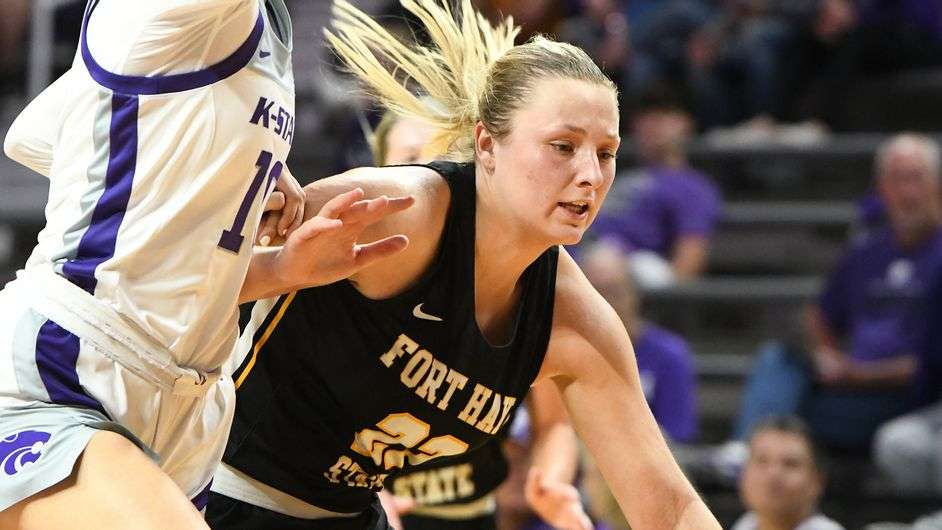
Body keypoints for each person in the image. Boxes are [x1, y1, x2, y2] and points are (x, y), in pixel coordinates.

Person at [207, 0, 721, 529]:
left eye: (607, 152)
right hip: (209, 486)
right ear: (486, 144)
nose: (590, 173)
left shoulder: (572, 319)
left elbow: (671, 508)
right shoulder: (395, 213)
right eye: (563, 146)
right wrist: (277, 269)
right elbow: (177, 278)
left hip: (351, 514)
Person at [0, 2, 411, 529]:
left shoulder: (254, 25)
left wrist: (277, 258)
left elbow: (33, 134)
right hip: (73, 362)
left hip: (191, 397)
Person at [363, 111, 585, 530]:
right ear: (380, 172)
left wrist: (549, 480)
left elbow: (554, 421)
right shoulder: (353, 281)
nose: (431, 172)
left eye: (444, 156)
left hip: (476, 515)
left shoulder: (518, 283)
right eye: (412, 157)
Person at [727, 134, 942, 456]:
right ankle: (743, 454)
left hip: (911, 396)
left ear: (937, 186)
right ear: (882, 189)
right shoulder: (866, 253)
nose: (907, 192)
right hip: (850, 389)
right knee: (779, 360)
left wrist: (861, 374)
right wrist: (828, 355)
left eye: (915, 179)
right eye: (897, 180)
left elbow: (932, 365)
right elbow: (819, 314)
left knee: (788, 418)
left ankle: (754, 450)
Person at [582, 91, 721, 288]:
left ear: (686, 124)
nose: (651, 124)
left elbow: (687, 263)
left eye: (664, 115)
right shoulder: (613, 174)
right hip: (577, 258)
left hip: (627, 276)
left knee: (614, 263)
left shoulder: (693, 187)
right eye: (644, 116)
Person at [732, 416, 845, 530]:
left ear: (818, 481)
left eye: (790, 464)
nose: (773, 474)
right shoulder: (745, 524)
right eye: (762, 461)